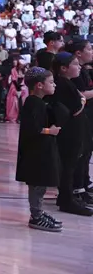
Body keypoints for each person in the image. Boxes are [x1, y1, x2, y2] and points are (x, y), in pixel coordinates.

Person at [15, 67, 63, 232]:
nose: (54, 85)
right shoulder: (32, 102)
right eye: (51, 82)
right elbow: (32, 128)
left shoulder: (39, 102)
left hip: (40, 150)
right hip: (35, 152)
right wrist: (51, 131)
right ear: (39, 85)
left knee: (41, 184)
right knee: (36, 185)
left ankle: (39, 213)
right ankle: (36, 216)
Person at [51, 52, 93, 216]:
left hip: (74, 130)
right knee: (68, 165)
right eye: (75, 64)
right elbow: (76, 108)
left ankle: (66, 197)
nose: (79, 67)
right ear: (63, 68)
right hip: (69, 131)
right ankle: (66, 199)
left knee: (71, 164)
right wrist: (82, 100)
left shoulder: (67, 83)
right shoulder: (64, 84)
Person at [65, 39, 93, 206]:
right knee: (80, 154)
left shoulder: (84, 70)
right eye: (89, 48)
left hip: (88, 116)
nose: (92, 51)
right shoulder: (75, 74)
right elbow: (81, 94)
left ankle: (83, 184)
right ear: (78, 53)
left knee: (86, 152)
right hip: (81, 117)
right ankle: (76, 188)